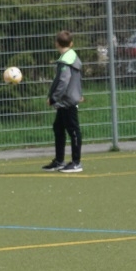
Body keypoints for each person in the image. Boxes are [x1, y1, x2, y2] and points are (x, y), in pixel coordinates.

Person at [41, 30, 84, 173]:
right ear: (71, 43)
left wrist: (54, 97)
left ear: (56, 44)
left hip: (67, 101)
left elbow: (63, 82)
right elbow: (77, 79)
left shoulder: (66, 61)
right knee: (58, 128)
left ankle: (76, 162)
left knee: (73, 130)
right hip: (66, 100)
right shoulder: (70, 57)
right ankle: (59, 161)